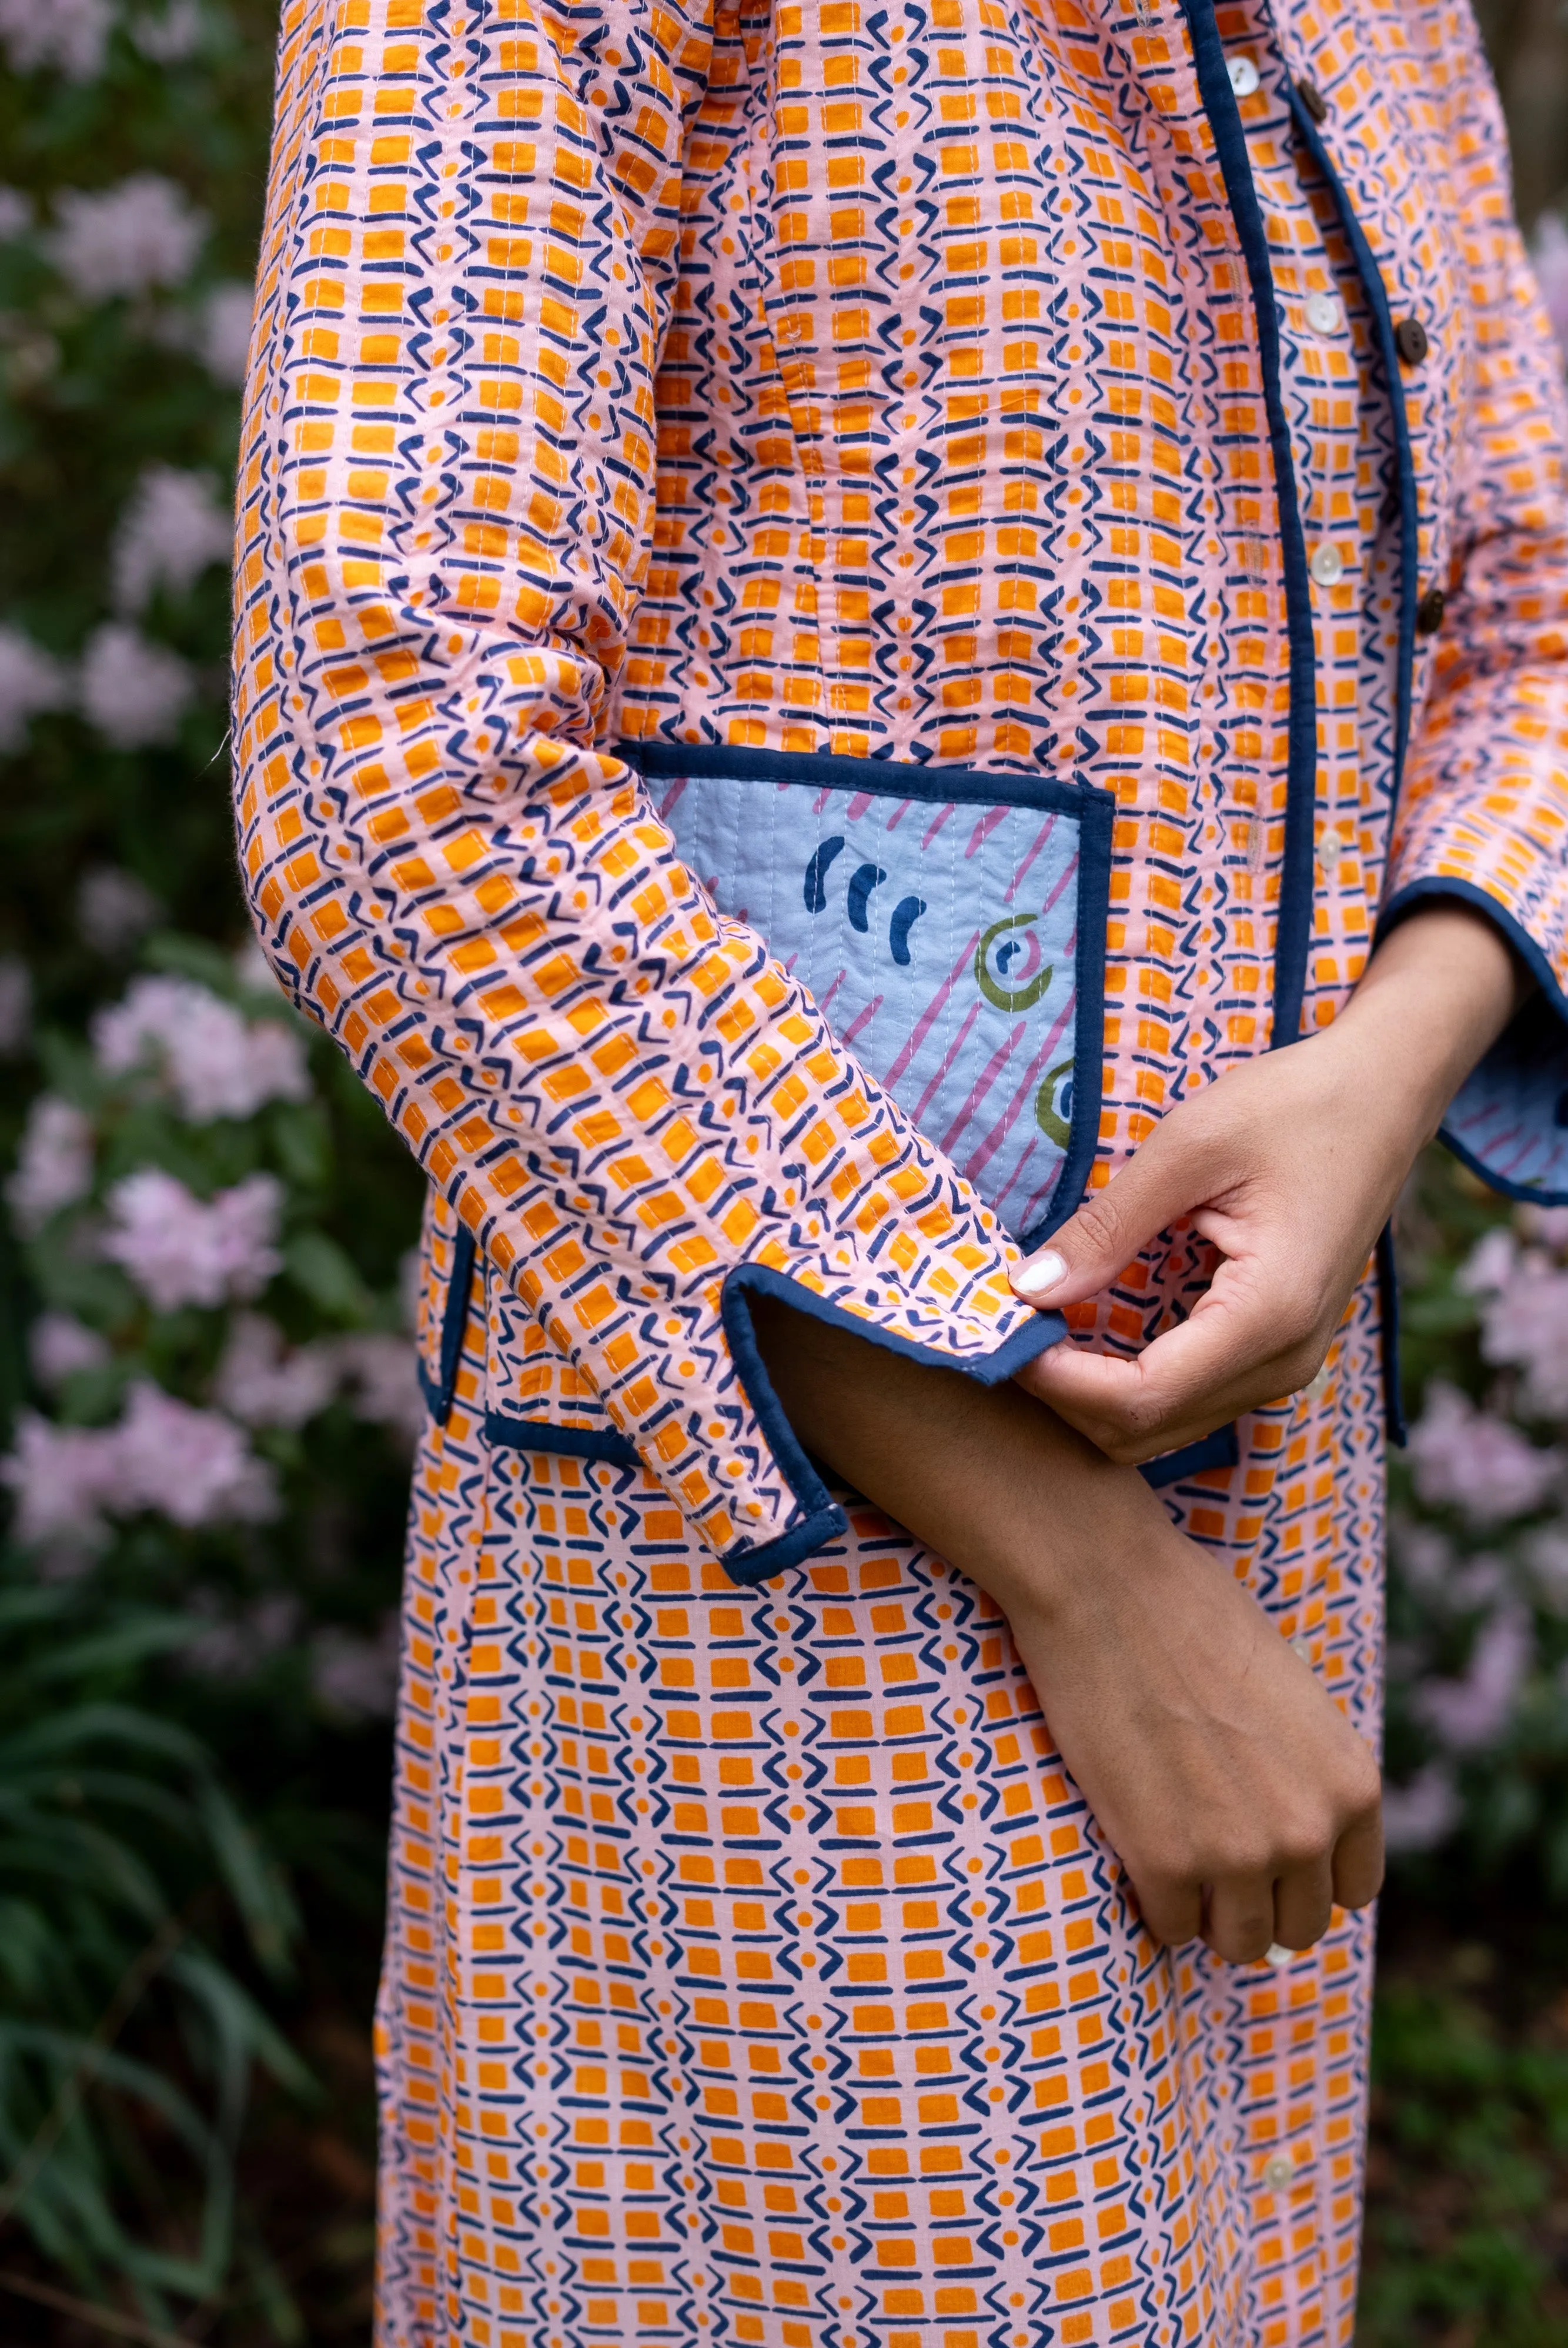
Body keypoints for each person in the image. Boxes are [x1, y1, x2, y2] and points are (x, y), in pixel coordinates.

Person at [230, 0, 1568, 2327]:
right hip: (770, 1551)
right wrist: (1091, 1574)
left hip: (1265, 1497)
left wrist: (1398, 1046)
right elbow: (394, 726)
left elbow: (1531, 614)